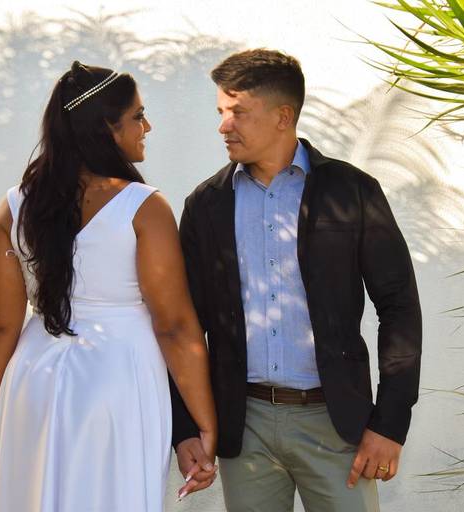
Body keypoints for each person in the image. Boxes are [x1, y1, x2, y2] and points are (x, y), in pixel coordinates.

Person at [171, 49, 422, 511]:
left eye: (237, 113)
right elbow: (183, 325)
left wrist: (389, 423)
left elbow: (398, 306)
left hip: (335, 422)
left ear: (283, 116)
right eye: (221, 112)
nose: (223, 126)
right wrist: (184, 428)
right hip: (243, 426)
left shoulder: (352, 192)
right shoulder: (206, 204)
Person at [0, 61, 217, 512]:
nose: (147, 126)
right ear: (107, 128)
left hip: (31, 382)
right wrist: (205, 425)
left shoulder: (14, 207)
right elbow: (175, 327)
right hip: (118, 381)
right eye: (137, 116)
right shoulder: (145, 207)